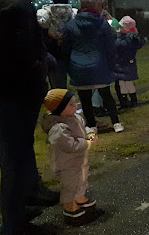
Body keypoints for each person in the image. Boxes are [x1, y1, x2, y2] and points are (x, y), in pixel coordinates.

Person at [0, 0, 60, 235]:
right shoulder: (14, 0)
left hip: (2, 92)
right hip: (12, 94)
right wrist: (38, 69)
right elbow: (18, 55)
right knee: (15, 158)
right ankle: (15, 228)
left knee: (13, 154)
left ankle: (24, 201)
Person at [62, 0, 125, 133]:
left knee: (85, 98)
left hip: (78, 66)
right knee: (106, 95)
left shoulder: (71, 25)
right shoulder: (102, 24)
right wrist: (111, 64)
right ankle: (116, 122)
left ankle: (91, 125)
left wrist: (69, 67)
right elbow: (110, 46)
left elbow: (65, 48)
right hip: (99, 64)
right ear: (96, 5)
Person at [41, 89, 103, 226]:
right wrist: (86, 143)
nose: (76, 107)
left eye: (75, 103)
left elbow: (84, 128)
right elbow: (69, 145)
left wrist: (90, 133)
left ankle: (80, 197)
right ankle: (69, 205)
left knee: (81, 178)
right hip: (67, 163)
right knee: (70, 184)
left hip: (79, 160)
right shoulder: (59, 128)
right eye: (71, 105)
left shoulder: (75, 118)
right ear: (60, 109)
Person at [37, 0, 76, 89]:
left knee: (58, 87)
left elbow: (41, 27)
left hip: (53, 52)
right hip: (72, 51)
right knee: (82, 86)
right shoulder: (73, 13)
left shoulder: (45, 14)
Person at [114, 16, 147, 108]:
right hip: (129, 63)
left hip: (121, 64)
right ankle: (132, 99)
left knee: (122, 83)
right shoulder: (134, 38)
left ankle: (124, 100)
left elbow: (119, 46)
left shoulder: (126, 40)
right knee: (127, 82)